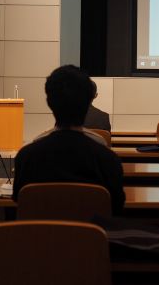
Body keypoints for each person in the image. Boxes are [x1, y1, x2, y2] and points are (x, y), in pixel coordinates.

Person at [12, 65, 125, 214]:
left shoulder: (26, 157)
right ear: (90, 99)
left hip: (41, 229)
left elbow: (19, 202)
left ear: (49, 102)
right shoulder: (108, 159)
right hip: (93, 229)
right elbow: (116, 207)